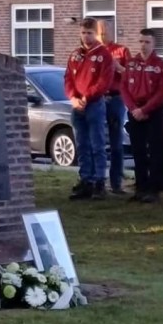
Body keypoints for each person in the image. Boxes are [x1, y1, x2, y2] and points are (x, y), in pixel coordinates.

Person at [65, 18, 115, 200]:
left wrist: (87, 96)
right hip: (77, 105)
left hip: (94, 104)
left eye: (90, 33)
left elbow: (104, 81)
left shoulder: (104, 55)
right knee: (82, 144)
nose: (86, 36)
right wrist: (72, 97)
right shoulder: (75, 55)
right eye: (84, 33)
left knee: (97, 144)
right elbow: (68, 78)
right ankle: (85, 179)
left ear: (97, 34)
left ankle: (99, 181)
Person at [122, 28, 163, 203]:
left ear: (154, 43)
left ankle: (153, 189)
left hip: (153, 112)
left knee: (156, 151)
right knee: (138, 151)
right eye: (141, 41)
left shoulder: (160, 65)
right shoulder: (131, 63)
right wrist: (134, 108)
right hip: (135, 111)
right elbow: (124, 88)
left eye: (147, 42)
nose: (143, 45)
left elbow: (162, 92)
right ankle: (140, 187)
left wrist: (145, 110)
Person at [96, 20, 130, 195]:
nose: (102, 35)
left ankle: (116, 182)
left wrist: (118, 67)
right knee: (98, 142)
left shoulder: (121, 51)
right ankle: (97, 181)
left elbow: (130, 74)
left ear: (111, 31)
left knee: (116, 142)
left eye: (105, 32)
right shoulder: (95, 52)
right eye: (99, 32)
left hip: (116, 99)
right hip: (99, 98)